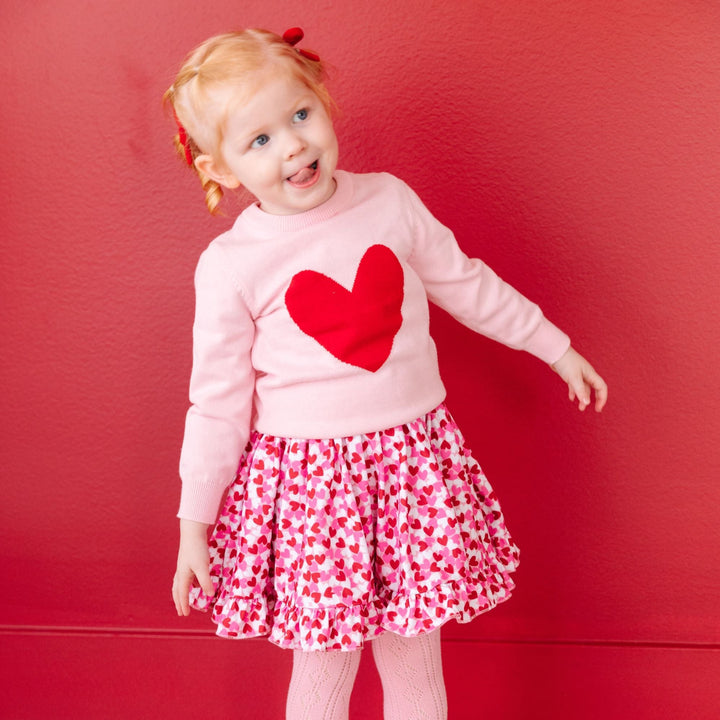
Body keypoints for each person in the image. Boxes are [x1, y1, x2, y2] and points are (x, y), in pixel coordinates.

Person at [164, 27, 607, 720]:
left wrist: (553, 345)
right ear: (220, 170)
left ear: (322, 103)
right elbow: (216, 404)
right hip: (313, 494)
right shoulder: (231, 264)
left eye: (300, 116)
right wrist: (195, 526)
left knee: (414, 662)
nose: (293, 145)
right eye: (259, 141)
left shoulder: (390, 202)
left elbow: (465, 283)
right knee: (322, 674)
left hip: (412, 469)